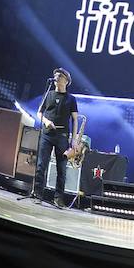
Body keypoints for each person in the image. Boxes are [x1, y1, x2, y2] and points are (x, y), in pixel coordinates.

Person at [32, 68, 79, 207]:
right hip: (47, 134)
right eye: (56, 75)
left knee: (61, 169)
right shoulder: (49, 94)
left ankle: (58, 198)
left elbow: (75, 119)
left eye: (60, 76)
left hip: (62, 137)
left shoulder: (71, 99)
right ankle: (37, 194)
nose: (56, 77)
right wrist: (46, 122)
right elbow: (39, 113)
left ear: (66, 81)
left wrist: (74, 139)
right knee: (41, 165)